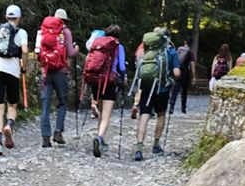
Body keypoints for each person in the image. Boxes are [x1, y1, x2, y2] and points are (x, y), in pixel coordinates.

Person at [0, 5, 28, 156]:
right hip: (13, 71)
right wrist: (24, 67)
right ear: (19, 18)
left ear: (6, 17)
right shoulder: (22, 32)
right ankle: (9, 125)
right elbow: (25, 51)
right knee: (12, 105)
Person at [133, 27, 180, 161]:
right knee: (160, 114)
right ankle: (156, 145)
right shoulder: (171, 51)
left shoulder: (146, 52)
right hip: (162, 89)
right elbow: (177, 73)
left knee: (144, 115)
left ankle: (139, 147)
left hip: (146, 88)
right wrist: (175, 77)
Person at [35, 8, 76, 147]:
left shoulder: (42, 31)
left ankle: (45, 137)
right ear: (64, 20)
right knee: (63, 102)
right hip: (61, 71)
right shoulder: (66, 32)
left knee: (45, 104)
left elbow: (37, 52)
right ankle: (58, 132)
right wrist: (76, 49)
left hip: (46, 71)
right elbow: (70, 53)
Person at [84, 24, 126, 158]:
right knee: (106, 115)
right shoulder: (118, 46)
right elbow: (121, 66)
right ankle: (100, 137)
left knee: (101, 112)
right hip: (109, 82)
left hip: (96, 80)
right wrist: (123, 78)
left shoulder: (98, 44)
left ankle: (100, 137)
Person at [168, 37, 196, 114]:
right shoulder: (191, 51)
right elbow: (192, 65)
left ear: (184, 42)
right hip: (185, 72)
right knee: (184, 90)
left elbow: (175, 59)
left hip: (178, 70)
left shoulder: (179, 49)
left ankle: (171, 108)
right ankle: (183, 109)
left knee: (175, 90)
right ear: (191, 43)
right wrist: (193, 76)